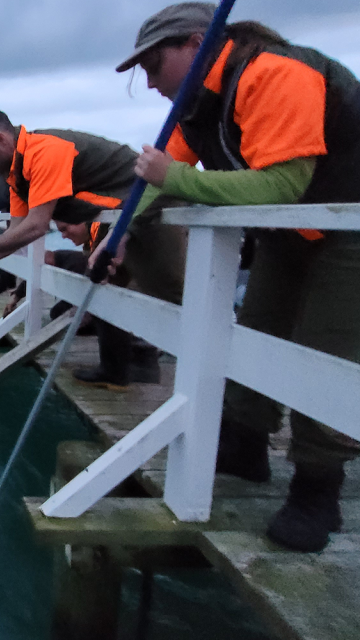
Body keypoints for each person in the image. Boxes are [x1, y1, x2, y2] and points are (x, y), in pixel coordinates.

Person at [116, 2, 360, 551]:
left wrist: (174, 174)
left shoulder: (276, 72)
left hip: (350, 226)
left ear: (196, 43)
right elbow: (157, 184)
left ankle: (317, 487)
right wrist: (120, 233)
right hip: (286, 237)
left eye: (154, 66)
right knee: (252, 334)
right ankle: (247, 447)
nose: (150, 83)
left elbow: (281, 186)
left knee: (326, 354)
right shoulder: (195, 104)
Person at [0, 108, 187, 389]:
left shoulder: (45, 151)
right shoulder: (17, 176)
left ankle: (222, 388)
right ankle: (117, 372)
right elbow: (18, 231)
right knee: (103, 285)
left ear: (1, 140)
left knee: (175, 294)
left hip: (150, 205)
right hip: (116, 215)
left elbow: (38, 225)